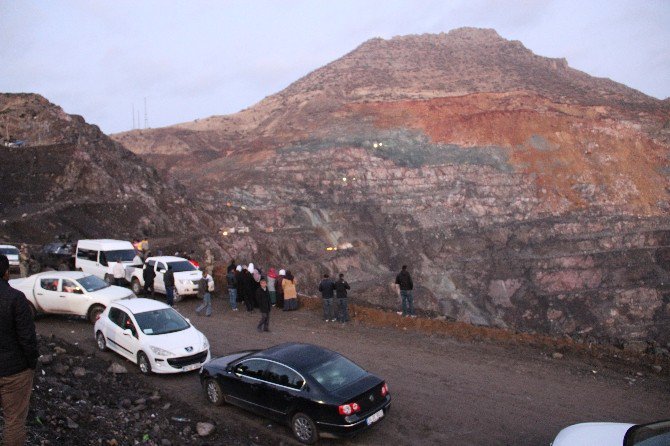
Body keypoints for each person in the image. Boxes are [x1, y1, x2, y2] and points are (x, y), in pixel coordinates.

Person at [0, 254, 39, 446]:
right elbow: (27, 338)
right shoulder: (15, 299)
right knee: (13, 421)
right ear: (6, 273)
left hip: (13, 368)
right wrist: (31, 363)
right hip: (14, 371)